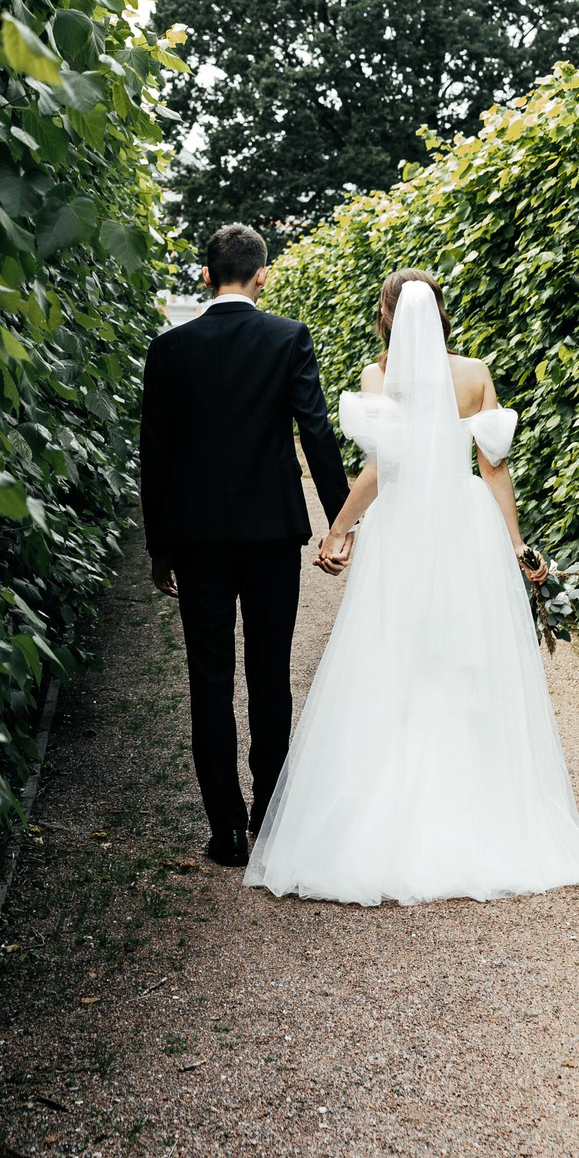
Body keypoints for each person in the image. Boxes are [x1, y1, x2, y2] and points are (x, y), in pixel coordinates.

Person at [245, 271, 579, 905]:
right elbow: (493, 468)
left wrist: (337, 531)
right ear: (440, 314)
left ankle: (394, 807)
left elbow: (383, 469)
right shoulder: (473, 375)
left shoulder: (378, 375)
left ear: (386, 315)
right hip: (464, 526)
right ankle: (475, 805)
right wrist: (517, 544)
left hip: (404, 527)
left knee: (395, 656)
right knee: (464, 657)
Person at [140, 224, 351, 868]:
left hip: (197, 535)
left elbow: (155, 453)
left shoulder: (169, 348)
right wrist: (341, 520)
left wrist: (159, 546)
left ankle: (226, 830)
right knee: (269, 673)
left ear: (207, 276)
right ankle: (271, 816)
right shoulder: (288, 337)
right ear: (262, 276)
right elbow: (315, 433)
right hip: (270, 531)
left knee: (209, 679)